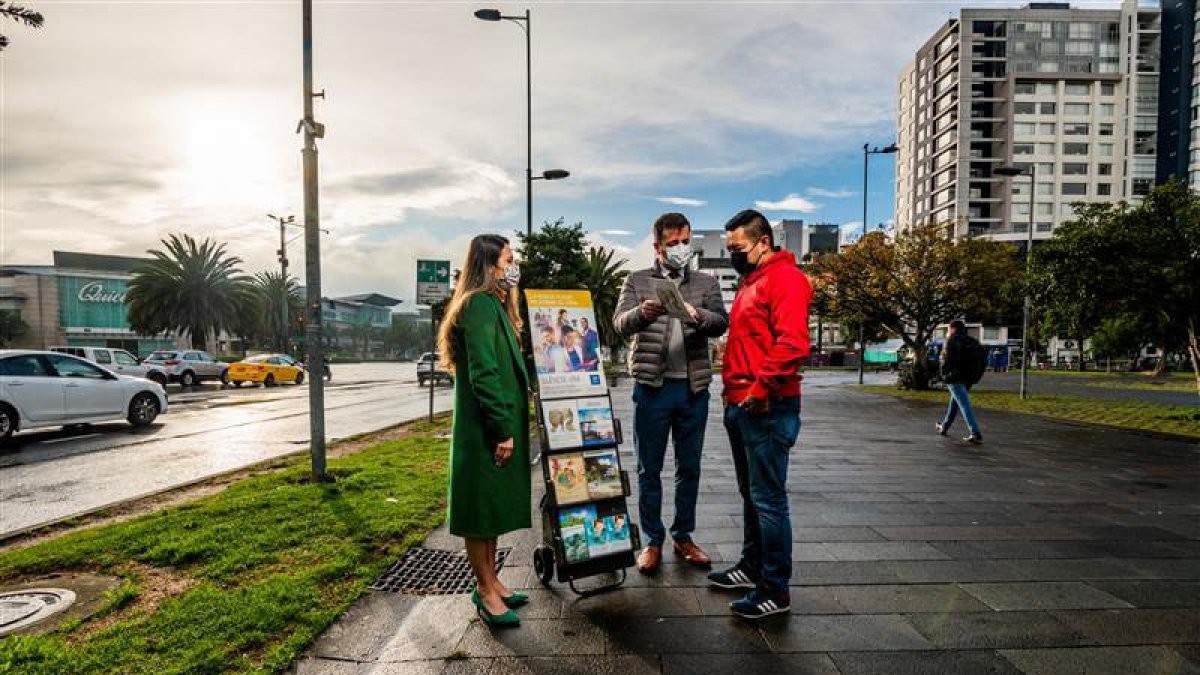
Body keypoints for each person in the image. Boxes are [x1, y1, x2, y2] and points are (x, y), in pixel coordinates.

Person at [706, 209, 811, 620]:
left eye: (739, 248)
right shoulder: (753, 282)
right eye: (730, 249)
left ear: (764, 242)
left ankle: (775, 589)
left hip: (766, 405)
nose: (734, 255)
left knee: (769, 500)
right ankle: (752, 568)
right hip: (742, 404)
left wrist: (760, 388)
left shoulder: (785, 279)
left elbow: (793, 343)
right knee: (752, 495)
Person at [613, 212, 728, 574]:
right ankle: (652, 540)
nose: (681, 248)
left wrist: (698, 315)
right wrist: (642, 313)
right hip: (652, 388)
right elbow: (619, 324)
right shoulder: (637, 280)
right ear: (657, 246)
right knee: (648, 468)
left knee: (689, 467)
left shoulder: (707, 282)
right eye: (673, 242)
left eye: (685, 241)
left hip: (693, 389)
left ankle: (683, 536)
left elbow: (721, 322)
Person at [438, 234, 531, 628]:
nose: (514, 266)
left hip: (493, 426)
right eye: (508, 260)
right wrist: (503, 430)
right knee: (479, 513)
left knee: (490, 509)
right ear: (489, 265)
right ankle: (484, 590)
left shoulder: (494, 304)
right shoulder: (477, 305)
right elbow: (484, 373)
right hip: (484, 430)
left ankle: (493, 582)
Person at [936, 319, 984, 445]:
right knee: (955, 403)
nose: (947, 331)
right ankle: (944, 427)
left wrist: (944, 376)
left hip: (954, 378)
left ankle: (975, 433)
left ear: (953, 328)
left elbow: (945, 361)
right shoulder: (973, 341)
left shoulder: (951, 340)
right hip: (968, 379)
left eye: (948, 329)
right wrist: (976, 376)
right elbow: (982, 360)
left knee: (963, 404)